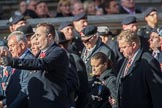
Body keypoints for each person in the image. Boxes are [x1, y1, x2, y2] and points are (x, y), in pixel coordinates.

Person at [0, 23, 70, 108]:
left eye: (38, 35)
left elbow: (41, 63)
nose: (36, 39)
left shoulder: (58, 52)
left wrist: (13, 62)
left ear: (50, 36)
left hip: (51, 104)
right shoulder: (40, 53)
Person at [116, 30, 162, 108]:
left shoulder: (148, 62)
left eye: (123, 47)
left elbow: (157, 94)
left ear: (133, 45)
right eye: (120, 47)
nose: (121, 51)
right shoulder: (125, 60)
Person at [1, 31, 34, 108]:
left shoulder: (28, 61)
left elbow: (26, 89)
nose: (10, 49)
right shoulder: (18, 60)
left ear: (22, 45)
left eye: (12, 46)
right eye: (9, 47)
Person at [0, 41, 12, 108]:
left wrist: (4, 102)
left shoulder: (14, 66)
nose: (1, 54)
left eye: (3, 52)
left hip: (12, 102)